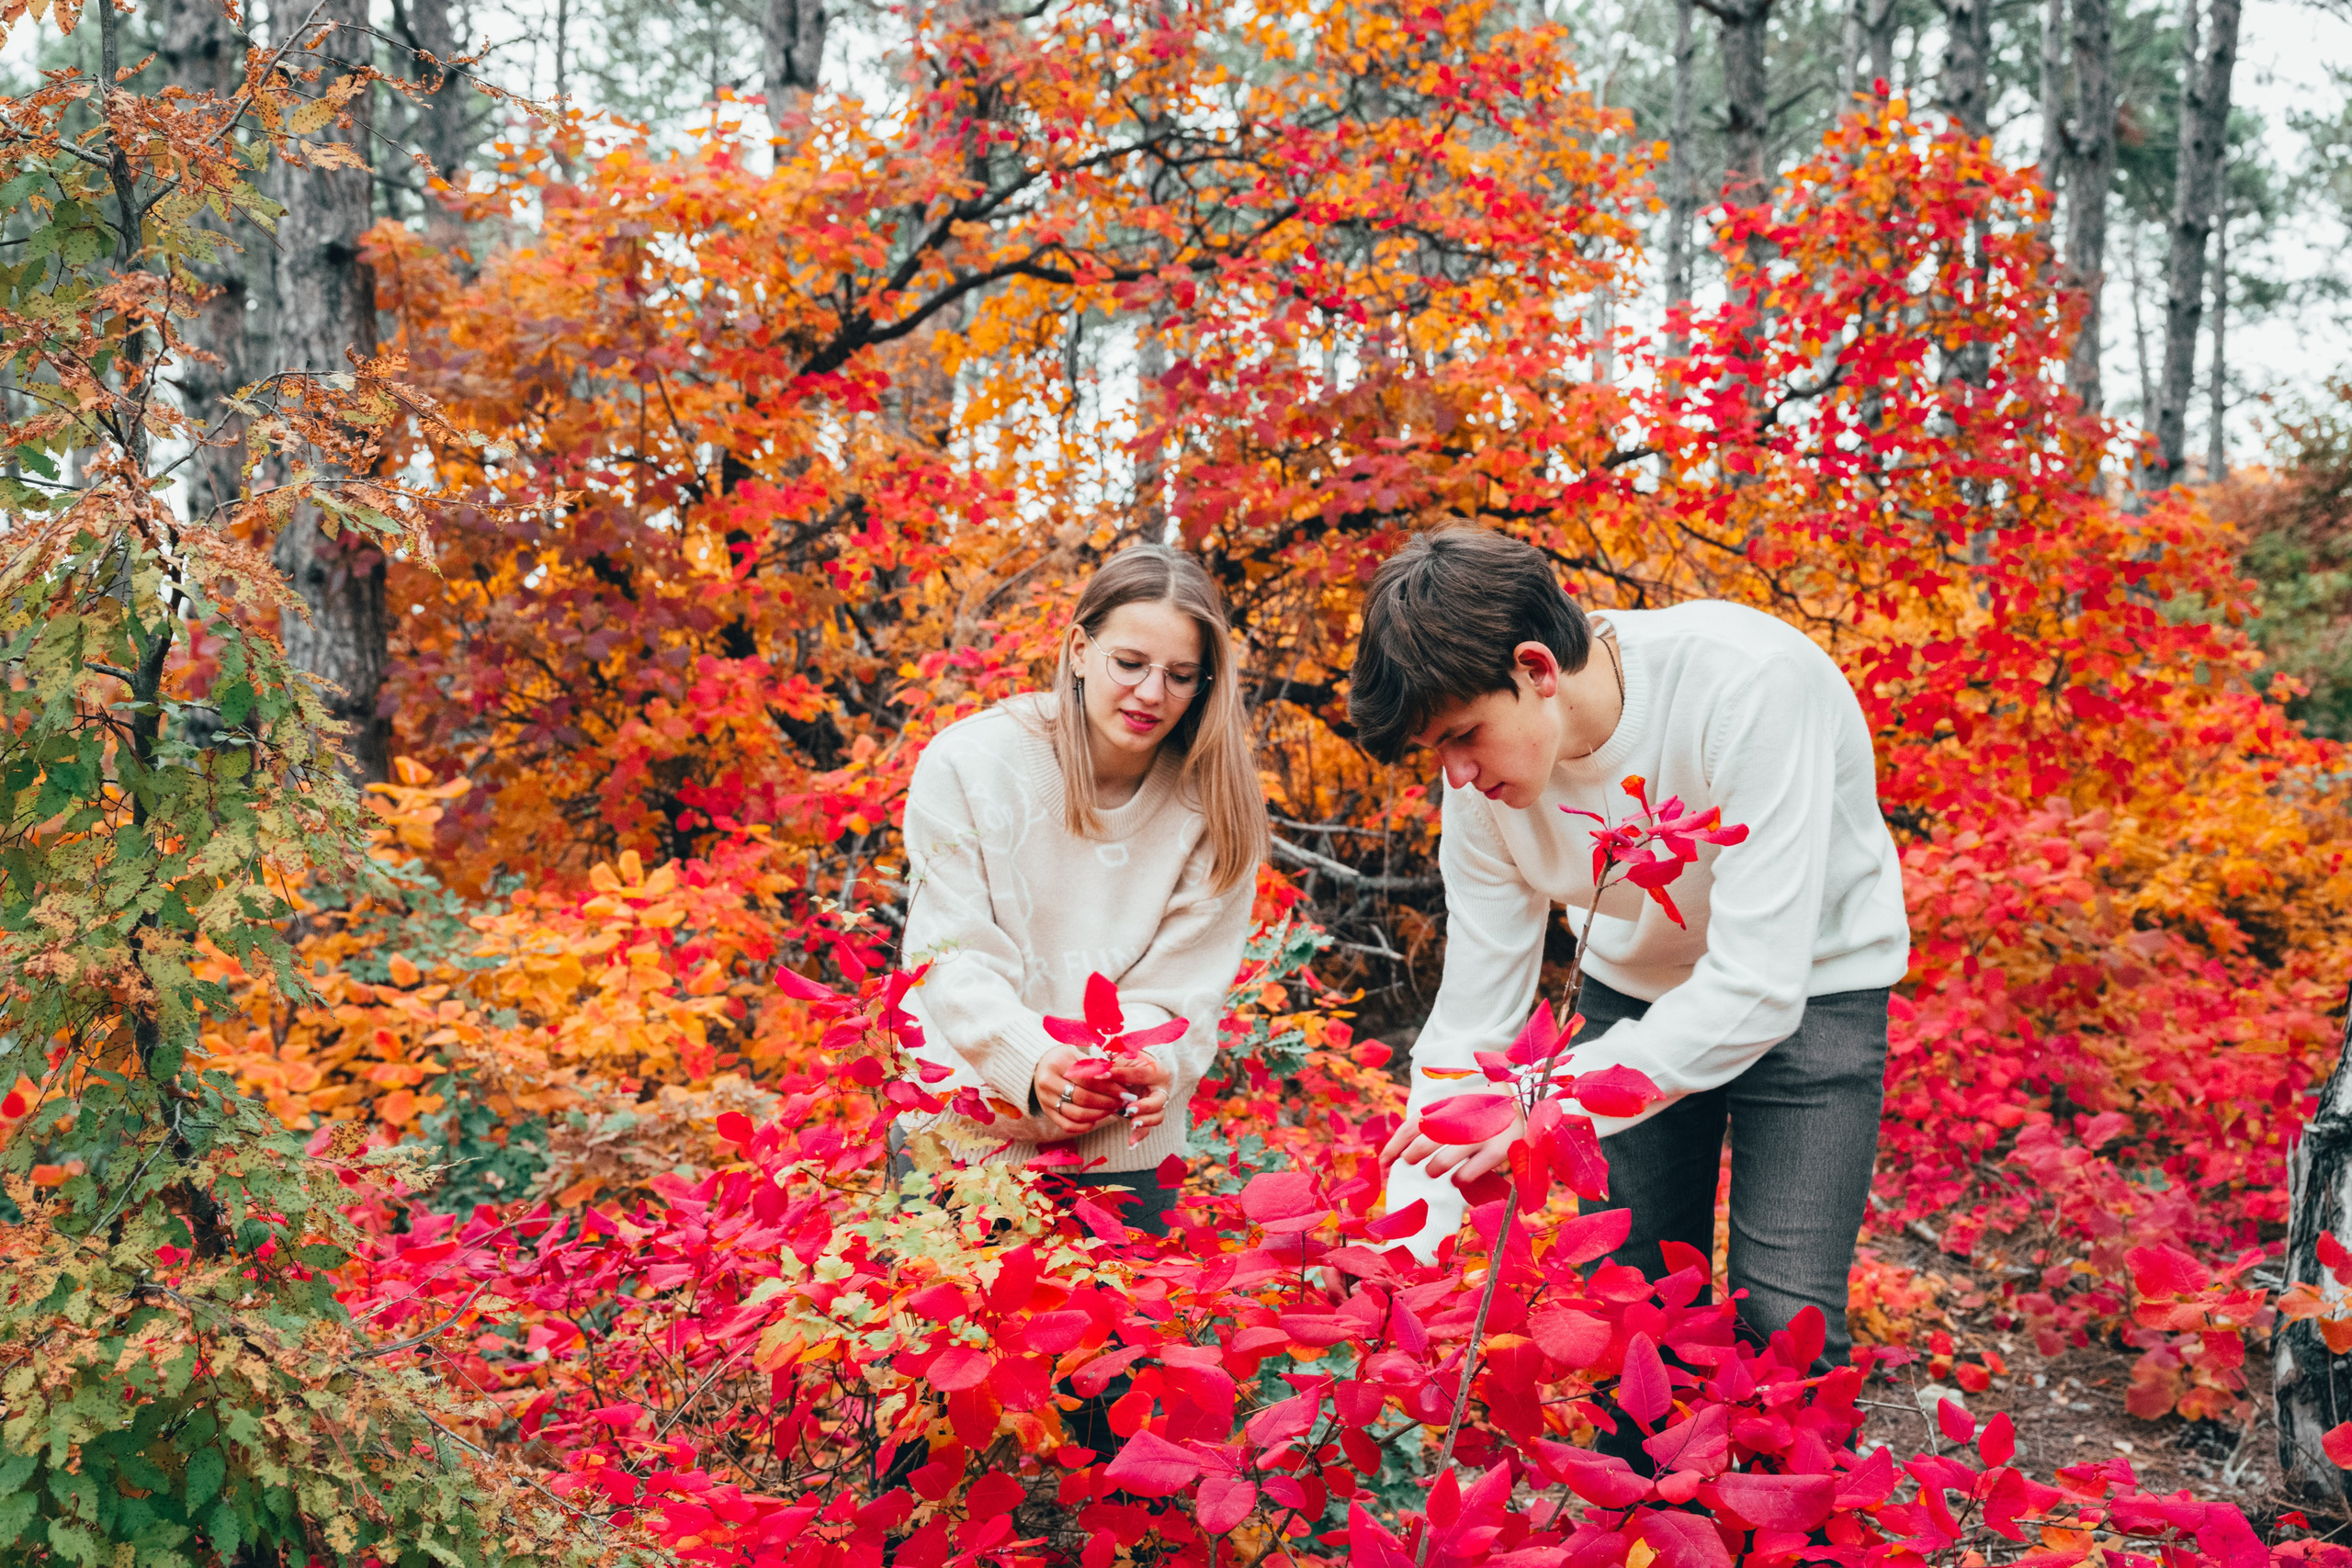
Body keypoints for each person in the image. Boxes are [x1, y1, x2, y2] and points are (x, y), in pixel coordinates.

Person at [1348, 525, 1909, 1372]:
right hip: (1630, 991)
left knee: (1784, 1319)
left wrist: (1551, 1103)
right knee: (1634, 1303)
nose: (1455, 773)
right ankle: (1649, 1504)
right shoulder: (1480, 793)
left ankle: (1786, 1501)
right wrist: (1409, 1263)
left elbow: (1758, 985)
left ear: (1537, 669)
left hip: (1816, 993)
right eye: (1438, 750)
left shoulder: (1747, 687)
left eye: (1463, 734)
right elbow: (1473, 1018)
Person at [892, 545, 1268, 1235]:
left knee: (1122, 1344)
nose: (1153, 694)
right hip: (963, 1139)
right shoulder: (969, 762)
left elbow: (1185, 983)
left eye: (1181, 675)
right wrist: (1032, 1061)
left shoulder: (1213, 804)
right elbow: (951, 954)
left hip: (1121, 1153)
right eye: (1129, 664)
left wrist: (1146, 1062)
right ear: (1077, 649)